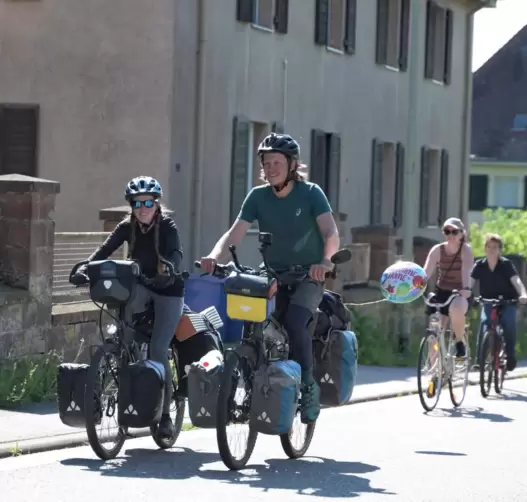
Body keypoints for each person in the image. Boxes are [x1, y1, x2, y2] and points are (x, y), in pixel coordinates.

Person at [199, 133, 339, 425]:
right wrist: (214, 256)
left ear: (292, 165)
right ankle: (250, 379)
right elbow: (234, 234)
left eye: (277, 162)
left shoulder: (311, 193)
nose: (271, 167)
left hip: (307, 275)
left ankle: (308, 386)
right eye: (266, 163)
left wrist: (324, 261)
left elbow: (330, 233)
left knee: (295, 320)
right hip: (273, 273)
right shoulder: (257, 197)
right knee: (251, 320)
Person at [82, 176, 185, 439]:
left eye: (148, 202)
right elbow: (104, 250)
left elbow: (176, 253)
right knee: (125, 337)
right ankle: (127, 386)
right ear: (131, 205)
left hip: (168, 290)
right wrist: (86, 267)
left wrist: (171, 268)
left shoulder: (168, 226)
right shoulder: (127, 226)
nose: (143, 208)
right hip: (140, 286)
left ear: (157, 204)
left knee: (160, 348)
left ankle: (164, 417)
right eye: (137, 203)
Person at [471, 233, 527, 371]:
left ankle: (510, 355)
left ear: (500, 250)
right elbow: (469, 282)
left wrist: (523, 293)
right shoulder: (479, 265)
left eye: (495, 247)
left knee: (508, 324)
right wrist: (465, 292)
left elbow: (517, 281)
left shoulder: (506, 264)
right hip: (488, 301)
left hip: (507, 301)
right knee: (484, 323)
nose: (492, 250)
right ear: (485, 249)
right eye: (489, 247)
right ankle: (479, 359)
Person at [422, 217, 474, 360]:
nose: (450, 235)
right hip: (442, 292)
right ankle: (434, 370)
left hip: (459, 292)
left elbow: (466, 271)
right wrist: (415, 288)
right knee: (435, 330)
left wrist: (466, 288)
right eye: (447, 231)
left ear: (462, 234)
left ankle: (459, 342)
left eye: (454, 232)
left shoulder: (466, 250)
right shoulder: (437, 250)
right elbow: (425, 273)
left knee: (457, 308)